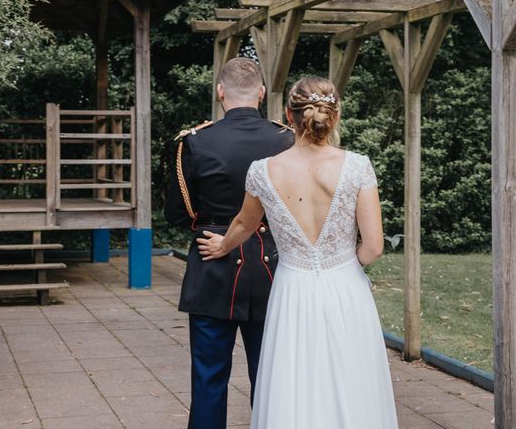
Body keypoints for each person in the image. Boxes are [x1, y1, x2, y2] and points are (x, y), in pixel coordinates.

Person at [198, 76, 399, 428]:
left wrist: (221, 245)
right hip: (346, 289)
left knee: (294, 380)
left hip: (292, 289)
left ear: (289, 118)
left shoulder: (263, 170)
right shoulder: (357, 166)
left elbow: (244, 225)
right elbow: (374, 246)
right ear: (334, 117)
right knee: (350, 378)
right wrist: (344, 265)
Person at [164, 57, 294, 429]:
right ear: (262, 93)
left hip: (211, 260)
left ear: (220, 91)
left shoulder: (194, 141)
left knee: (208, 376)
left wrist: (215, 227)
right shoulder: (287, 139)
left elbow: (178, 211)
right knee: (270, 376)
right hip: (273, 265)